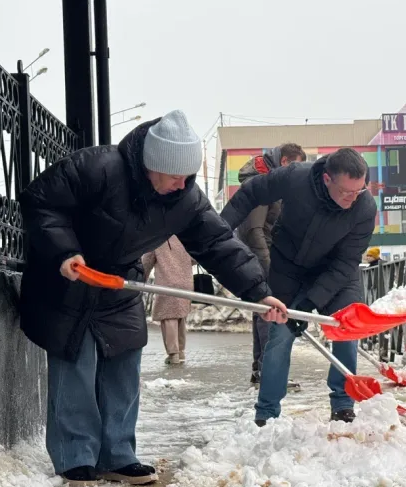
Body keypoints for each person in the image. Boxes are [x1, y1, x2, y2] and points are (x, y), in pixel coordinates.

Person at [19, 110, 288, 487]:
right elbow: (40, 202)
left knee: (125, 363)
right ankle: (75, 458)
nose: (182, 184)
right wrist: (64, 252)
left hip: (119, 282)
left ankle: (118, 454)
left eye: (187, 176)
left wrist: (260, 293)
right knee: (76, 362)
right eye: (175, 175)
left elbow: (217, 245)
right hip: (70, 276)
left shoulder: (186, 198)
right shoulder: (98, 168)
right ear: (151, 165)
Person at [221, 147, 376, 425]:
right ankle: (267, 412)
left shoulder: (364, 207)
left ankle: (342, 403)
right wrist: (218, 233)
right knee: (279, 334)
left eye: (359, 191)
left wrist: (311, 302)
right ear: (327, 179)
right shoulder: (295, 177)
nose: (352, 199)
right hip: (289, 267)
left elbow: (346, 263)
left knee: (345, 328)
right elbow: (251, 193)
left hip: (337, 274)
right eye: (346, 192)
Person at [235, 143, 307, 388]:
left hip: (260, 254)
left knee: (263, 313)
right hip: (259, 256)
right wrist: (267, 265)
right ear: (285, 162)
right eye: (296, 166)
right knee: (271, 314)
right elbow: (254, 230)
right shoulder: (263, 184)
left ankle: (262, 369)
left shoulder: (269, 182)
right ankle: (270, 372)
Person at [142, 236, 194, 365]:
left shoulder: (156, 239)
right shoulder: (184, 236)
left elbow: (146, 262)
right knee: (181, 316)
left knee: (168, 317)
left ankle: (173, 354)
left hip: (166, 283)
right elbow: (195, 258)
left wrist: (140, 278)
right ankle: (181, 352)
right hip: (185, 282)